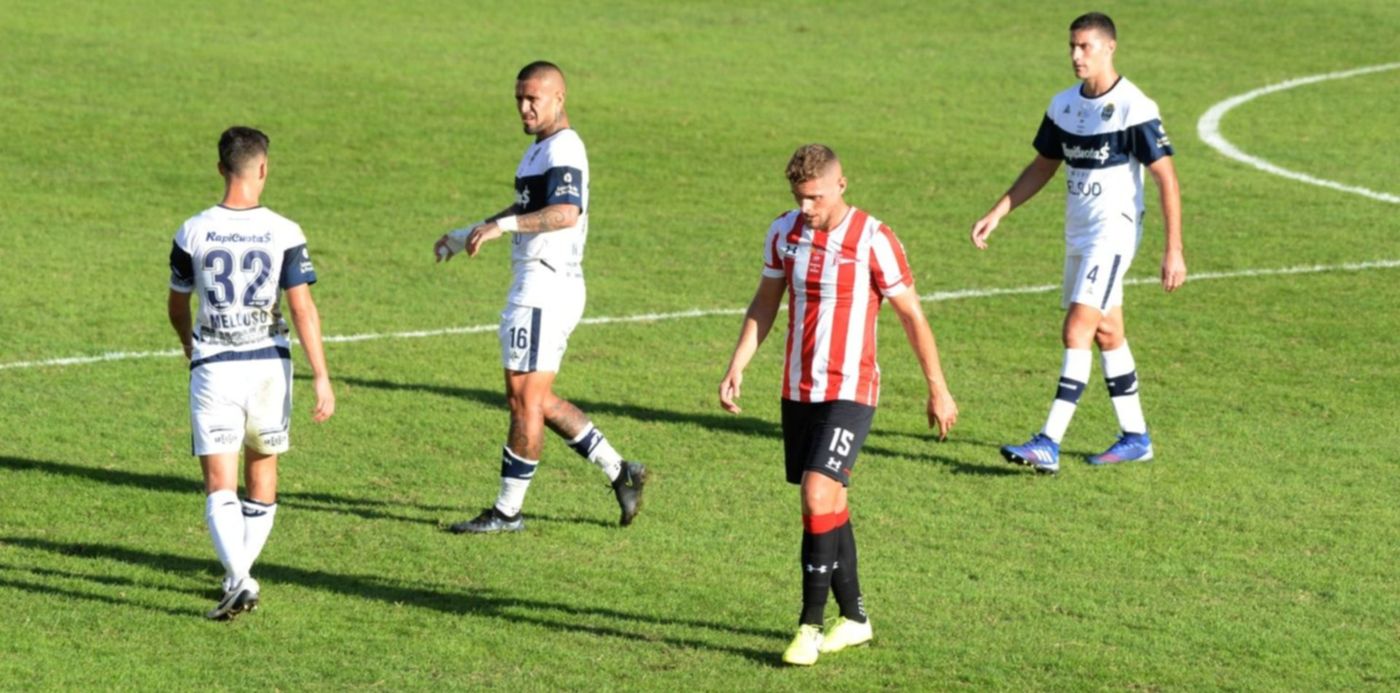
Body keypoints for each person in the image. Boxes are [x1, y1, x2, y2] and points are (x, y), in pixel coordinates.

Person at [719, 144, 958, 666]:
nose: (807, 208)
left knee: (815, 493)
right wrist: (739, 362)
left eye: (816, 198)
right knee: (828, 503)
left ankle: (808, 626)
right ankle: (855, 618)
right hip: (799, 389)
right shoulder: (784, 232)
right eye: (799, 198)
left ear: (841, 186)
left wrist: (937, 387)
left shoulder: (875, 239)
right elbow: (766, 299)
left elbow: (913, 316)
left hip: (852, 389)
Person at [434, 61, 646, 533]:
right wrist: (466, 233)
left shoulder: (565, 147)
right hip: (540, 284)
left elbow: (565, 213)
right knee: (536, 396)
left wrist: (502, 227)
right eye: (519, 100)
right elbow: (529, 207)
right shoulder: (539, 151)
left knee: (524, 401)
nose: (525, 108)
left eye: (534, 99)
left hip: (546, 285)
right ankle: (620, 470)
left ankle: (507, 512)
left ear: (559, 99)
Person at [970, 12, 1185, 474]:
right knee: (1108, 331)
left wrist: (1174, 250)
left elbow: (1166, 177)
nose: (1075, 55)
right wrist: (998, 211)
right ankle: (1135, 436)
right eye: (1072, 46)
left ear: (1110, 48)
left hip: (1113, 235)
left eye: (1085, 46)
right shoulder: (1064, 105)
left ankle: (1048, 442)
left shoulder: (1134, 107)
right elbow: (1043, 166)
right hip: (1079, 236)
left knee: (1076, 330)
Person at [167, 126, 336, 620]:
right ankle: (237, 574)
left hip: (214, 366)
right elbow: (302, 307)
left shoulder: (193, 230)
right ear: (263, 168)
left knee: (220, 483)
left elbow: (178, 304)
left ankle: (238, 577)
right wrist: (321, 375)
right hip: (270, 366)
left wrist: (187, 343)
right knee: (262, 472)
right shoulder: (285, 230)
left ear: (221, 168)